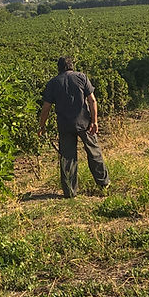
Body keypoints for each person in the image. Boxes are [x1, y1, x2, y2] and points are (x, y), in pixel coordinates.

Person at [37, 57, 110, 198]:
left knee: (68, 158)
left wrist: (42, 125)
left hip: (65, 125)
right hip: (84, 123)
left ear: (59, 68)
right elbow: (92, 100)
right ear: (71, 66)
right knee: (94, 153)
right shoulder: (82, 77)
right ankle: (104, 184)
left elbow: (46, 108)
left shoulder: (53, 83)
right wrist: (94, 121)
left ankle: (70, 192)